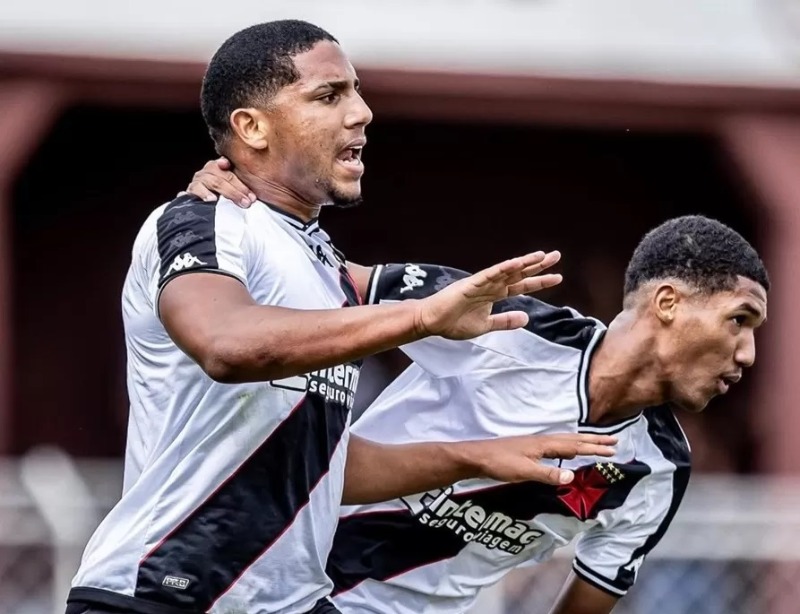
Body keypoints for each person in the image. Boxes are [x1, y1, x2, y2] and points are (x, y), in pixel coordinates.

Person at [65, 20, 617, 614]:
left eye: (356, 91)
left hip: (293, 602)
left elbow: (321, 467)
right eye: (329, 95)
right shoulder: (202, 219)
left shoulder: (323, 262)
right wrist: (419, 318)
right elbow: (225, 344)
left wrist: (475, 456)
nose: (362, 112)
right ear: (252, 127)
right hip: (161, 593)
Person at [190, 166, 772, 614]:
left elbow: (589, 599)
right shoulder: (511, 327)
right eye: (738, 321)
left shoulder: (658, 469)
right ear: (667, 303)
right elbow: (326, 277)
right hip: (269, 583)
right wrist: (238, 211)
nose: (747, 354)